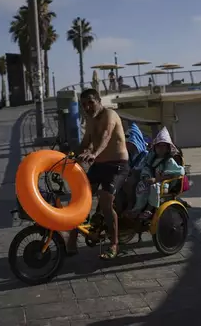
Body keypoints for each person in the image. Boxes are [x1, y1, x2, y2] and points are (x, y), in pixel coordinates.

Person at [67, 88, 129, 260]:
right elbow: (85, 143)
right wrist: (67, 157)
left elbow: (106, 136)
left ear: (99, 101)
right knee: (80, 198)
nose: (87, 107)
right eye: (84, 105)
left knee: (105, 199)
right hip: (99, 166)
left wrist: (94, 154)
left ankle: (114, 245)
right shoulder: (90, 120)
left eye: (91, 103)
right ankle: (71, 241)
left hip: (118, 165)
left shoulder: (110, 115)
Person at [128, 127, 184, 220]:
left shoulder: (169, 161)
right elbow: (146, 169)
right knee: (141, 185)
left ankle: (150, 209)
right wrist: (146, 178)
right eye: (158, 146)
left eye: (164, 146)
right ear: (155, 147)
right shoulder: (151, 159)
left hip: (163, 185)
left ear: (168, 148)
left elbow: (179, 171)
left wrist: (158, 179)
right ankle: (138, 208)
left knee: (154, 187)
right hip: (151, 181)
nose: (161, 148)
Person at [119, 123, 149, 211]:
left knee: (129, 183)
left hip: (142, 178)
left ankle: (130, 204)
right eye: (126, 143)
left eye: (130, 143)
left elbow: (139, 169)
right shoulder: (128, 155)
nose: (127, 146)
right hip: (130, 176)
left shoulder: (145, 154)